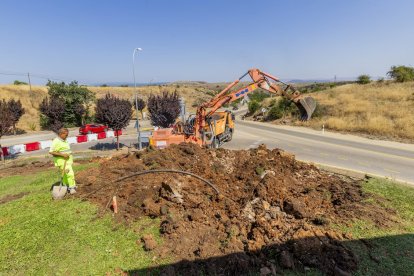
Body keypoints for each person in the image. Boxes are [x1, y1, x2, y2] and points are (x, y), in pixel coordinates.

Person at [49, 128, 76, 194]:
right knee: (70, 173)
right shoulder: (56, 141)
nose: (67, 136)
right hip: (62, 161)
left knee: (65, 175)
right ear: (61, 134)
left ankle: (66, 186)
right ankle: (72, 188)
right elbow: (51, 152)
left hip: (67, 161)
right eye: (66, 135)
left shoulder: (64, 140)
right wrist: (62, 155)